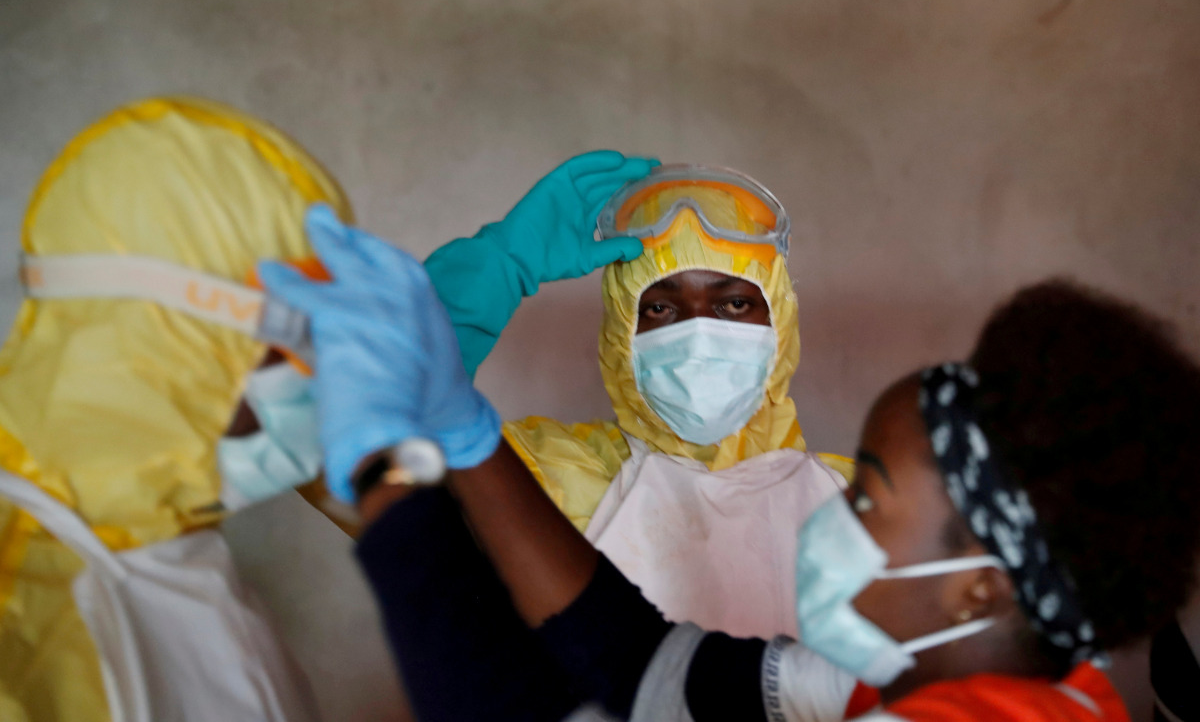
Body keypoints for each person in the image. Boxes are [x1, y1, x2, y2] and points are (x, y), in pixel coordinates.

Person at [262, 207, 1200, 721]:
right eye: (662, 305)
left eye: (868, 497)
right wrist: (464, 433)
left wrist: (395, 496)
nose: (838, 517)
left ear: (978, 588)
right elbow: (657, 668)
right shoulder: (1010, 678)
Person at [0, 98, 350, 721]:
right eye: (295, 353)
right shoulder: (32, 638)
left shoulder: (165, 546)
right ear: (179, 355)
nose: (323, 385)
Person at [423, 155, 851, 637]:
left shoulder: (865, 504)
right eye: (661, 308)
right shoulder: (551, 480)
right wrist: (495, 268)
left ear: (781, 321)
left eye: (734, 303)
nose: (699, 336)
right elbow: (357, 448)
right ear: (621, 330)